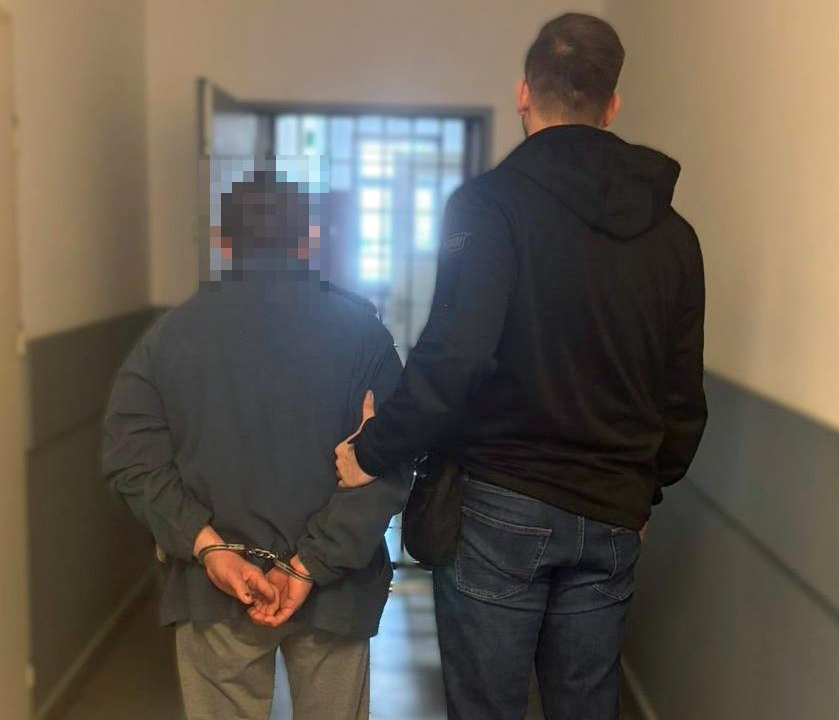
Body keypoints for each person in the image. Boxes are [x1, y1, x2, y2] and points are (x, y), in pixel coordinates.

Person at [335, 12, 707, 720]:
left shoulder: (488, 208)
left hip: (501, 504)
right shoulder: (674, 236)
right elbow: (682, 395)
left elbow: (455, 355)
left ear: (523, 94)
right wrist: (642, 489)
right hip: (613, 509)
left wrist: (372, 451)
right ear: (611, 105)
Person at [103, 167, 409, 720]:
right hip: (334, 592)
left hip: (215, 590)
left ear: (222, 242)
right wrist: (309, 565)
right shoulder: (363, 334)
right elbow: (391, 458)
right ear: (309, 239)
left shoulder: (171, 337)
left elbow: (131, 455)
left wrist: (208, 547)